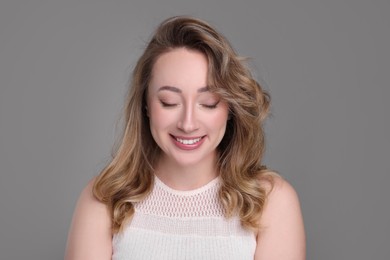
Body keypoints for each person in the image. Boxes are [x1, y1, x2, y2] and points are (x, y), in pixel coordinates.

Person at [65, 16, 305, 260]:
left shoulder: (271, 202)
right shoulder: (104, 200)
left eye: (208, 103)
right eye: (169, 102)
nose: (188, 124)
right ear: (145, 105)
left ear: (230, 108)